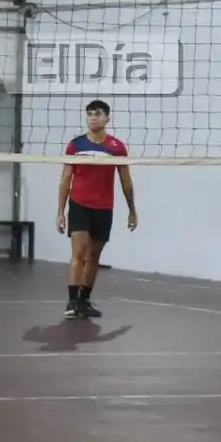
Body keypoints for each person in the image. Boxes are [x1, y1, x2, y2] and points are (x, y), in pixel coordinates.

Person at [56, 99, 137, 319]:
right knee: (79, 254)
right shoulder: (76, 145)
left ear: (107, 119)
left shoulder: (116, 148)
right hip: (79, 205)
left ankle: (84, 301)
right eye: (90, 114)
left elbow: (126, 181)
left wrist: (132, 210)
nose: (93, 117)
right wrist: (60, 211)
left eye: (98, 114)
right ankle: (72, 303)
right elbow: (65, 179)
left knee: (93, 257)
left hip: (104, 208)